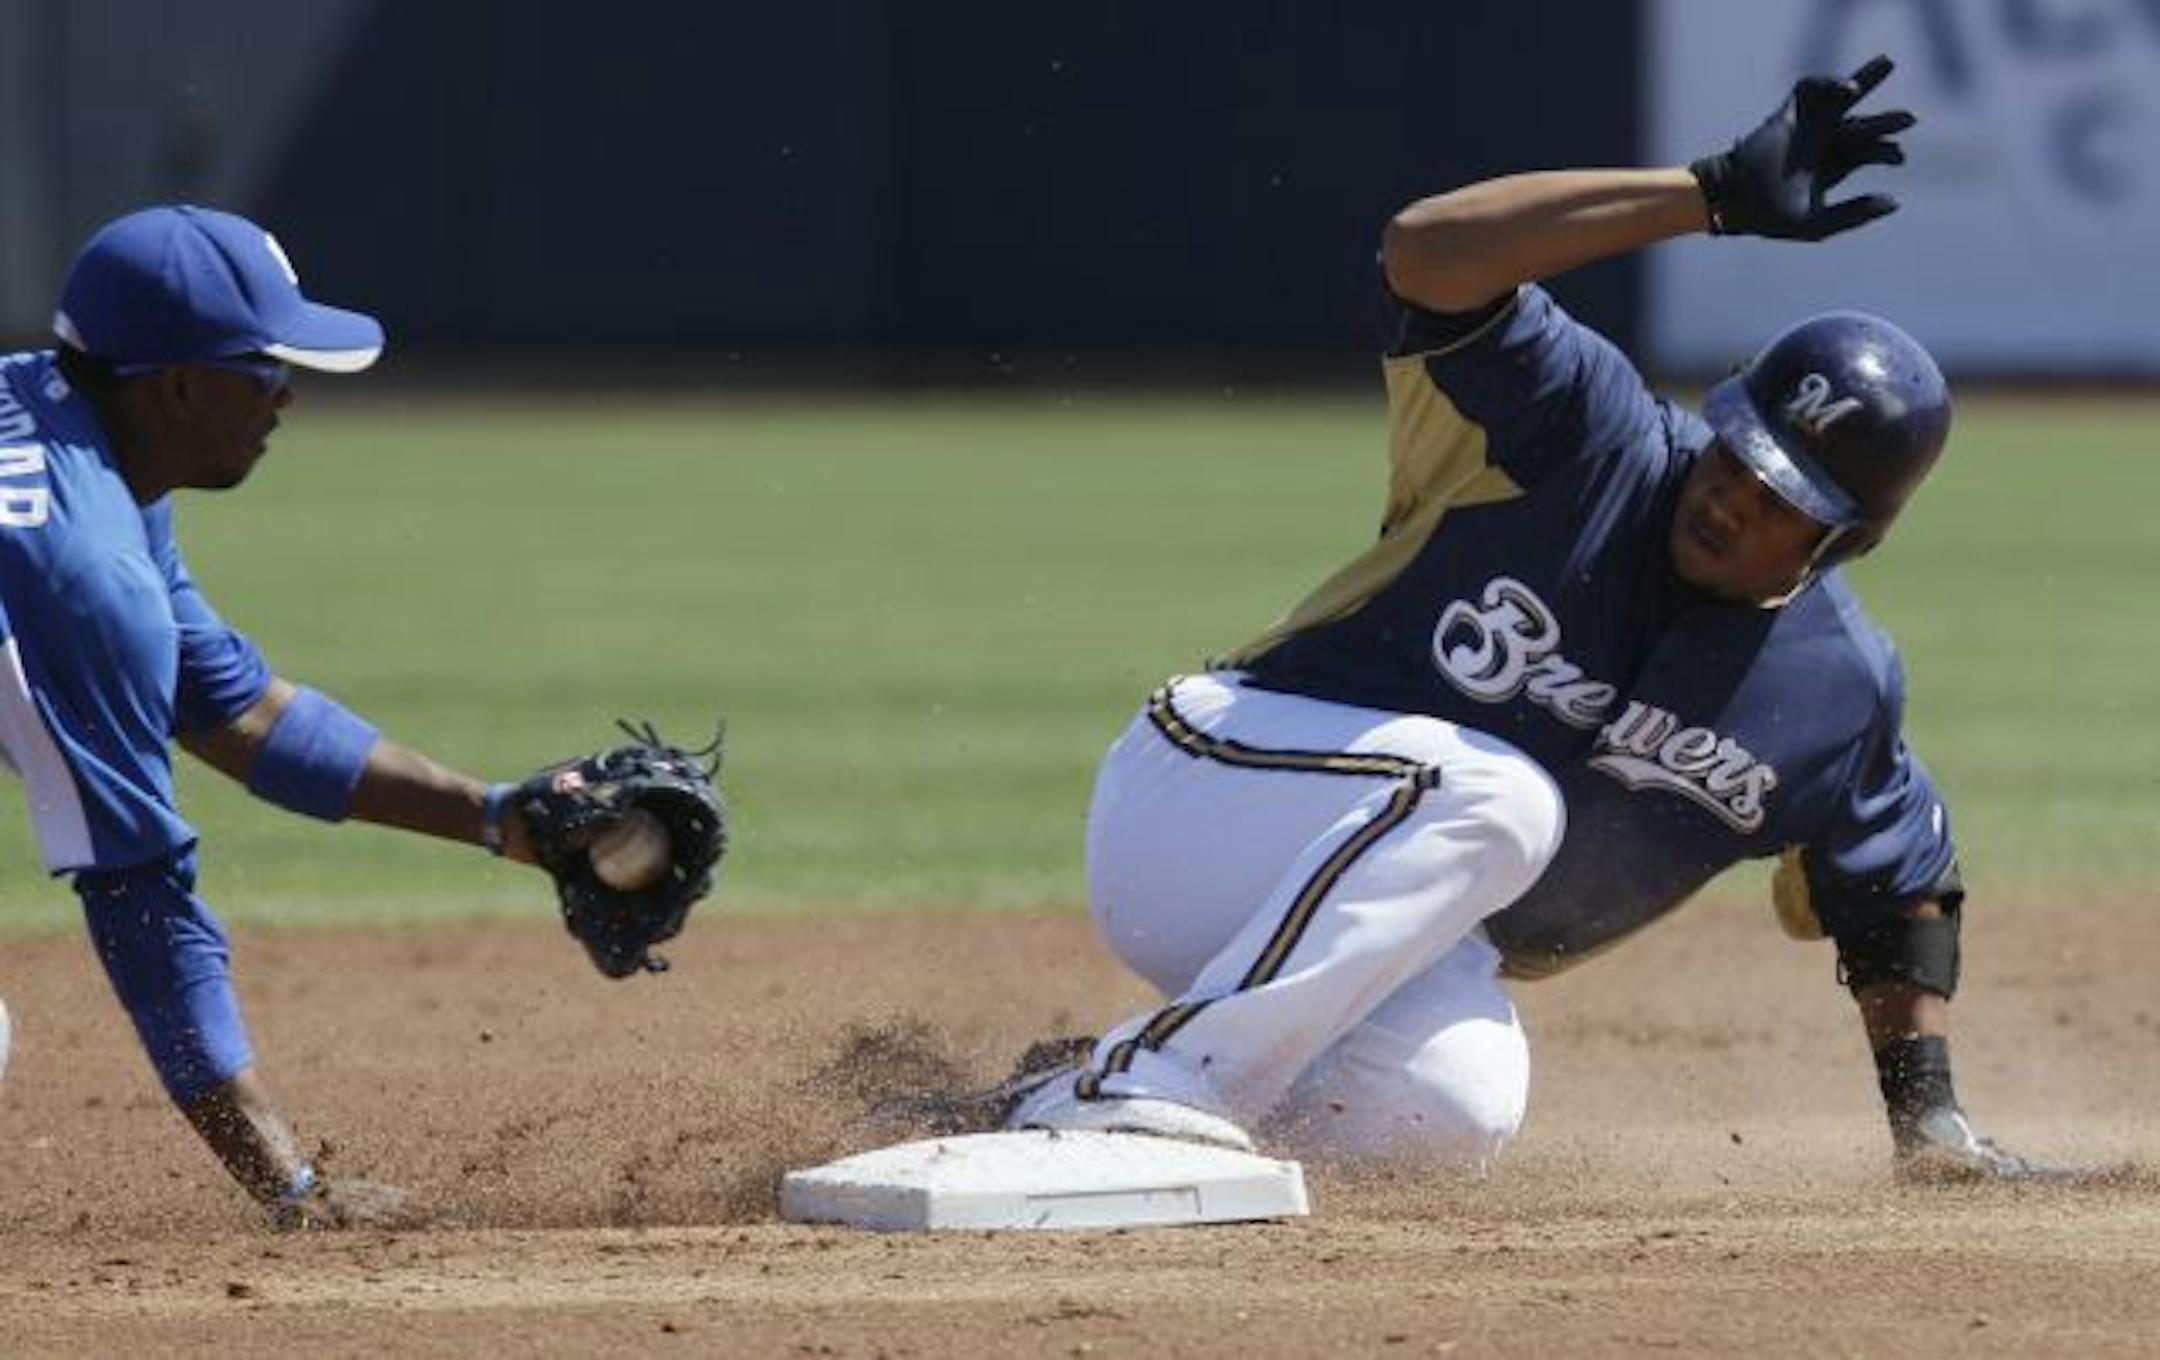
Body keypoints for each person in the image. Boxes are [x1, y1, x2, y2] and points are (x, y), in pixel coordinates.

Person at [1004, 56, 2054, 1181]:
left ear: (1845, 539)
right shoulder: (1581, 437)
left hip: (1373, 936)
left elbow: (1896, 884)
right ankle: (1151, 1086)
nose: (1735, 495)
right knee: (1502, 796)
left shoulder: (1834, 689)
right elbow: (1426, 253)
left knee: (1453, 1116)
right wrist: (1704, 196)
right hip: (1202, 803)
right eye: (1741, 454)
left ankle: (1065, 1084)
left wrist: (1927, 1122)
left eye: (1785, 501)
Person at [0, 205, 562, 1227]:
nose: (287, 394)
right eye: (261, 366)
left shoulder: (62, 411)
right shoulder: (84, 575)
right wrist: (291, 1188)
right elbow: (140, 901)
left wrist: (500, 818)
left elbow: (238, 713)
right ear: (175, 385)